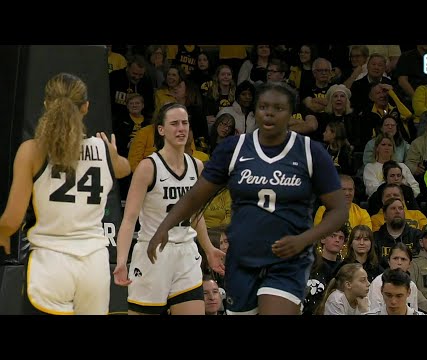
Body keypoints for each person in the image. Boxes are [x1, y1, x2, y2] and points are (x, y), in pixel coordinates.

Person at [147, 82, 348, 315]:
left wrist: (304, 239)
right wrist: (165, 226)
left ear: (291, 113)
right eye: (263, 107)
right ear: (255, 110)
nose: (269, 113)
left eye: (278, 108)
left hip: (287, 259)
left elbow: (339, 209)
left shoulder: (310, 152)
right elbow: (195, 196)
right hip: (242, 257)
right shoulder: (234, 148)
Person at [0, 72, 131, 314]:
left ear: (46, 104)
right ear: (86, 107)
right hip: (94, 265)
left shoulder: (32, 150)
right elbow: (124, 168)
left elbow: (12, 219)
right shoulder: (102, 149)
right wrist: (112, 153)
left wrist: (2, 233)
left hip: (50, 263)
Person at [113, 103, 225, 315]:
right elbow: (129, 220)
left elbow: (196, 215)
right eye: (174, 124)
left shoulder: (197, 166)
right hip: (153, 254)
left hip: (186, 252)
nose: (181, 128)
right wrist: (121, 260)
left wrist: (209, 249)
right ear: (161, 130)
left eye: (184, 123)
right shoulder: (148, 167)